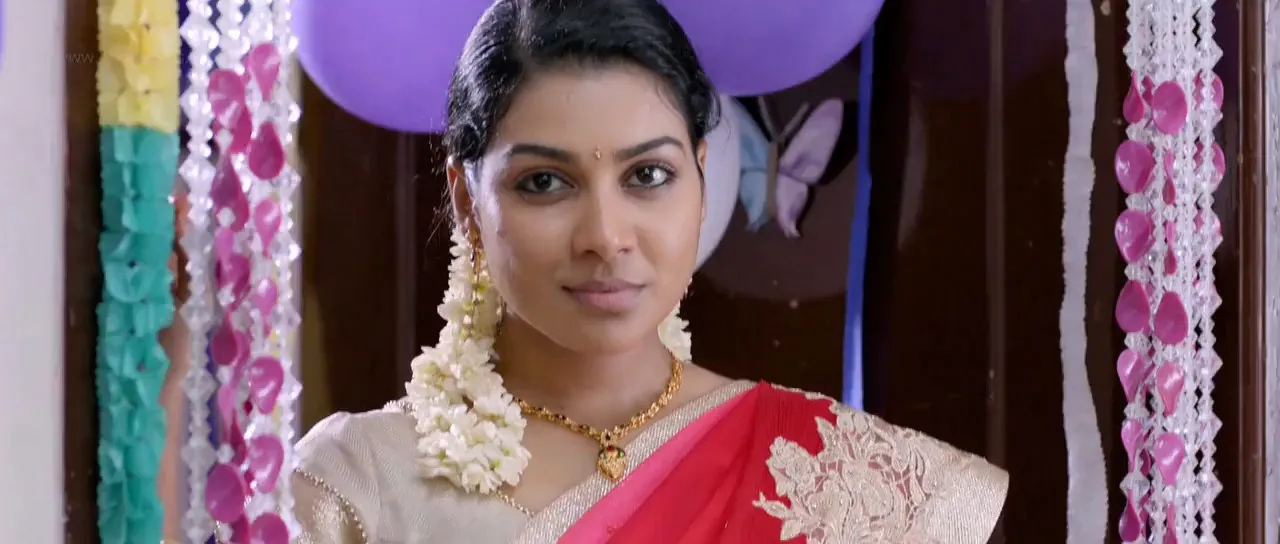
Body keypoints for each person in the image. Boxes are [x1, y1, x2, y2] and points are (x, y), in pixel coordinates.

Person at [291, 0, 1008, 542]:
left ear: (701, 176)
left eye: (648, 175)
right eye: (544, 182)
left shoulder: (841, 477)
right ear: (466, 202)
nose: (606, 238)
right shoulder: (360, 483)